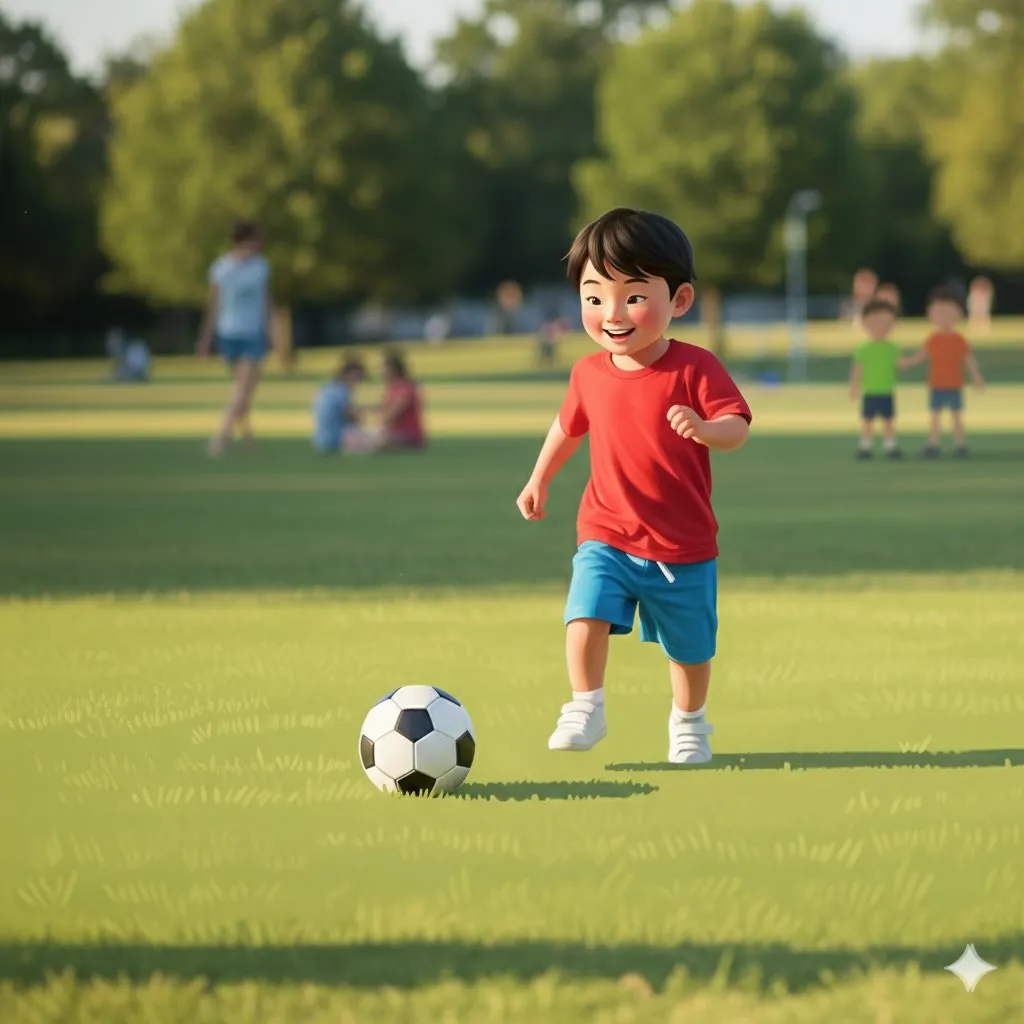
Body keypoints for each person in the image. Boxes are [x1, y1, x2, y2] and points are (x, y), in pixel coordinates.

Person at [515, 208, 752, 765]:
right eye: (594, 297)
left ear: (680, 300)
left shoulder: (694, 368)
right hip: (608, 532)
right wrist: (538, 478)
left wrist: (704, 428)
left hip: (682, 544)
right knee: (584, 613)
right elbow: (567, 427)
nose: (612, 314)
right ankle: (586, 706)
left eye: (634, 297)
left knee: (691, 650)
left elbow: (737, 427)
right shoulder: (587, 374)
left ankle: (689, 723)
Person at [196, 220, 272, 456]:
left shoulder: (260, 267)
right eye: (256, 239)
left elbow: (265, 301)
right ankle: (225, 438)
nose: (260, 243)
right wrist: (206, 338)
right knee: (242, 391)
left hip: (253, 333)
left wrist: (269, 331)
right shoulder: (221, 268)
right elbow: (213, 305)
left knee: (243, 389)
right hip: (229, 333)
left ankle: (236, 437)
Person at [901, 284, 985, 458]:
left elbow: (968, 360)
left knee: (956, 416)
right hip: (937, 384)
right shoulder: (933, 339)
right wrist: (907, 363)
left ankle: (960, 444)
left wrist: (976, 377)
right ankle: (933, 443)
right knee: (935, 416)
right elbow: (921, 356)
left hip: (954, 384)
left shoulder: (959, 340)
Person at [848, 297, 903, 460]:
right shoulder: (864, 349)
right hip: (870, 391)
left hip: (886, 391)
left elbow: (900, 364)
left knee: (888, 420)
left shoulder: (892, 348)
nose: (881, 328)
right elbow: (857, 369)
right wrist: (854, 386)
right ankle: (866, 445)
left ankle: (889, 445)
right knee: (868, 420)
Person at [312, 357, 367, 453]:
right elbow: (352, 417)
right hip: (335, 440)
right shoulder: (342, 391)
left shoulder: (327, 388)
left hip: (321, 440)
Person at [377, 350, 426, 450]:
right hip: (396, 434)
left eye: (383, 368)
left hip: (408, 437)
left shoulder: (403, 388)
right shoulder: (393, 387)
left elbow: (391, 415)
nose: (381, 372)